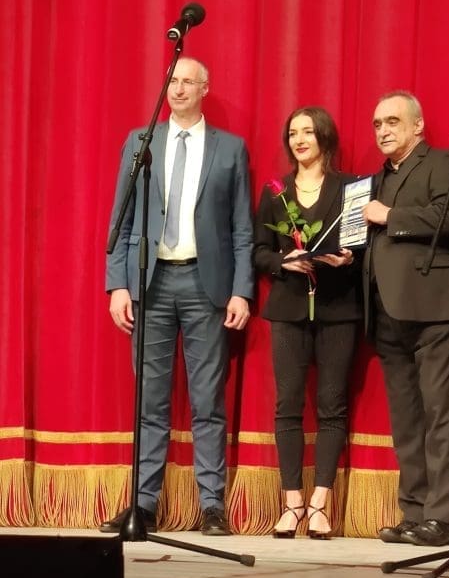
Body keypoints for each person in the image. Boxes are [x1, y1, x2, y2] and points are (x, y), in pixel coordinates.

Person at [101, 57, 253, 535]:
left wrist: (242, 291)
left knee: (208, 400)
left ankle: (212, 506)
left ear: (205, 88)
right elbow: (121, 218)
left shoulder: (230, 148)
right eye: (172, 80)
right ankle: (142, 505)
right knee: (150, 401)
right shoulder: (141, 141)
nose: (178, 88)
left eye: (188, 81)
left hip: (206, 285)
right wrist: (118, 284)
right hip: (150, 282)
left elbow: (242, 229)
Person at [362, 91, 449, 546]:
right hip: (386, 310)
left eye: (392, 121)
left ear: (418, 125)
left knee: (442, 414)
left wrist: (390, 215)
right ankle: (414, 512)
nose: (383, 130)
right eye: (377, 124)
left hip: (433, 308)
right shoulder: (375, 179)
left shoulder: (445, 162)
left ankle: (441, 517)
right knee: (406, 420)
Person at [254, 107, 362, 539]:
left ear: (324, 138)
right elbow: (259, 250)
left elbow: (362, 246)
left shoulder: (350, 187)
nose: (299, 140)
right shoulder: (275, 191)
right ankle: (292, 503)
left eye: (308, 132)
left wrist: (349, 258)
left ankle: (320, 503)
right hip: (288, 308)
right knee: (288, 405)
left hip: (338, 308)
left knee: (332, 405)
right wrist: (284, 260)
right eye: (293, 133)